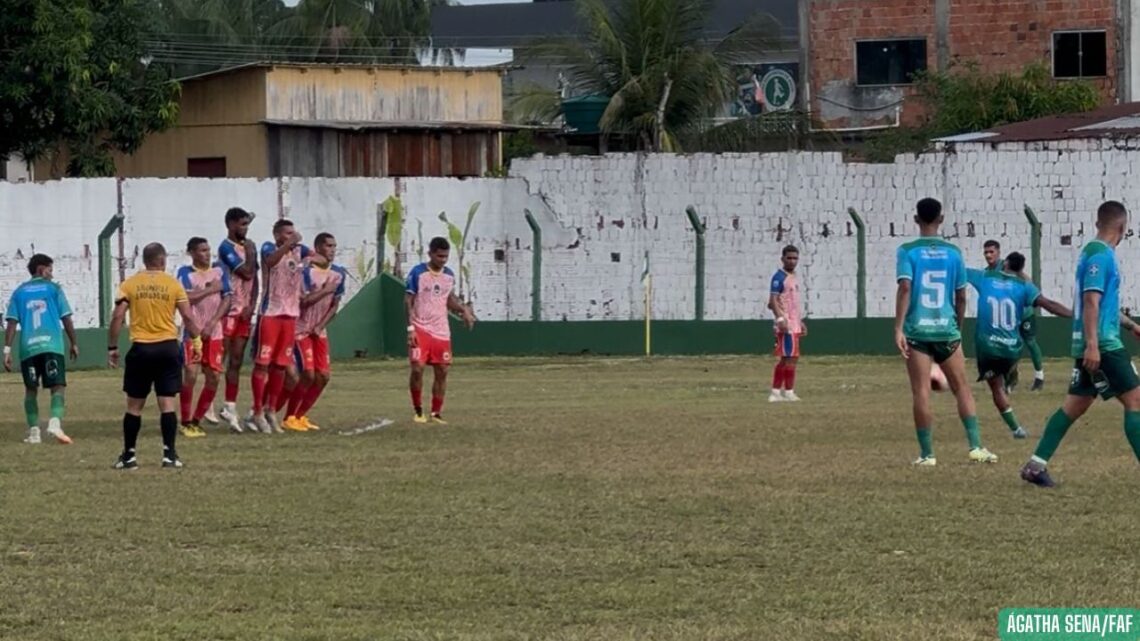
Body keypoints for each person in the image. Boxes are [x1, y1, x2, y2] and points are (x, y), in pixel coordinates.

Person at [1021, 201, 1140, 487]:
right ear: (1122, 228)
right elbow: (1091, 302)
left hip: (1094, 342)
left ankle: (1035, 466)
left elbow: (1104, 306)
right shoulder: (1102, 257)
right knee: (1136, 401)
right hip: (1103, 345)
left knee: (1075, 406)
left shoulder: (1091, 252)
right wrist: (1093, 345)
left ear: (1098, 223)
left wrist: (1133, 325)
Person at [894, 198, 997, 466]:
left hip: (918, 332)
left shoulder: (907, 251)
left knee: (921, 393)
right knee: (962, 388)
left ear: (916, 219)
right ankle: (975, 446)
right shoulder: (954, 253)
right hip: (947, 331)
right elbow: (961, 295)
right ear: (941, 219)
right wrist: (958, 328)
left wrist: (898, 328)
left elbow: (905, 287)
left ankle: (928, 454)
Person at [109, 243, 201, 470]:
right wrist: (197, 340)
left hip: (141, 349)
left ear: (145, 260)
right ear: (163, 260)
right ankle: (169, 455)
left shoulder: (130, 284)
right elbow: (188, 316)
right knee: (167, 403)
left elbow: (118, 316)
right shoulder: (173, 284)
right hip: (168, 348)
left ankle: (129, 456)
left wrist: (112, 346)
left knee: (134, 406)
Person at [967, 251, 1071, 440]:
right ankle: (1011, 369)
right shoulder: (1025, 287)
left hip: (988, 347)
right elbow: (1049, 304)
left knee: (996, 388)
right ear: (1021, 269)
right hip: (1012, 348)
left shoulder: (985, 277)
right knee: (1017, 349)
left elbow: (961, 272)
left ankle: (1017, 429)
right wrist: (1074, 314)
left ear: (1005, 263)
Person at [249, 218, 324, 434]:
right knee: (263, 363)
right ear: (277, 234)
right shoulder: (269, 248)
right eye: (287, 233)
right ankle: (256, 411)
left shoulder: (299, 250)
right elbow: (271, 261)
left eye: (293, 232)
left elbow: (320, 258)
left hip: (290, 316)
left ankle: (271, 409)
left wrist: (312, 261)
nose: (292, 235)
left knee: (281, 365)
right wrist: (287, 245)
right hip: (271, 313)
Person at [3, 254, 78, 445]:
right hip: (51, 345)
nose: (52, 275)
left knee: (30, 389)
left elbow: (12, 322)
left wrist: (7, 350)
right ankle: (54, 423)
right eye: (50, 270)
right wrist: (73, 342)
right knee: (57, 386)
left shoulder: (19, 292)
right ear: (40, 269)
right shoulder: (54, 289)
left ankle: (34, 433)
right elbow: (66, 317)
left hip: (28, 348)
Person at [406, 237, 476, 424]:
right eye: (439, 256)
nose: (443, 260)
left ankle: (436, 413)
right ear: (430, 254)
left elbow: (448, 298)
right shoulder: (418, 273)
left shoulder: (449, 275)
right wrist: (410, 328)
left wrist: (464, 311)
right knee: (417, 368)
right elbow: (408, 301)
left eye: (445, 257)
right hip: (420, 328)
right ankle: (418, 410)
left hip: (441, 331)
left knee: (442, 371)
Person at [283, 233, 347, 431]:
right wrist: (325, 291)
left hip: (319, 331)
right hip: (301, 329)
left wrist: (321, 325)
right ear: (318, 248)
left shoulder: (338, 273)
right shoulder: (305, 272)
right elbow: (302, 301)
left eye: (334, 246)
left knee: (324, 376)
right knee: (308, 374)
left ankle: (301, 416)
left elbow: (335, 305)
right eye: (328, 246)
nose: (332, 250)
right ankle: (289, 417)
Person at [176, 238, 232, 437]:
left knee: (214, 376)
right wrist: (210, 289)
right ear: (191, 253)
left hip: (214, 332)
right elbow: (184, 298)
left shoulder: (219, 271)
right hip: (192, 333)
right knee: (190, 374)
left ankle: (196, 420)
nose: (207, 254)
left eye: (208, 250)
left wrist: (213, 322)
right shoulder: (185, 273)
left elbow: (227, 298)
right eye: (202, 250)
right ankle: (184, 420)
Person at [216, 207, 260, 432]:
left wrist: (251, 306)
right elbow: (247, 273)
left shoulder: (249, 247)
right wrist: (251, 252)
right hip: (228, 311)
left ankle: (229, 405)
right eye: (242, 224)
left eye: (247, 224)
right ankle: (204, 407)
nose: (245, 228)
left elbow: (256, 280)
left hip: (244, 312)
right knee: (218, 362)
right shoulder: (226, 247)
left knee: (236, 361)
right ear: (231, 225)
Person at [768, 244, 806, 402]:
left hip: (794, 323)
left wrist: (800, 322)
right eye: (789, 258)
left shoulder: (793, 277)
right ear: (782, 259)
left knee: (790, 358)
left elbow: (792, 303)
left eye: (795, 258)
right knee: (788, 358)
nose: (792, 261)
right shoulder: (779, 277)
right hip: (786, 325)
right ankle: (785, 392)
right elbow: (772, 301)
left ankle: (778, 392)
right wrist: (780, 319)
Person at [1007, 258, 1048, 391]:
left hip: (1026, 315)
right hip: (1011, 317)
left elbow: (1031, 289)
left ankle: (1039, 377)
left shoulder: (1022, 278)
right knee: (1010, 346)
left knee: (1030, 342)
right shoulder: (997, 275)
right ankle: (1011, 376)